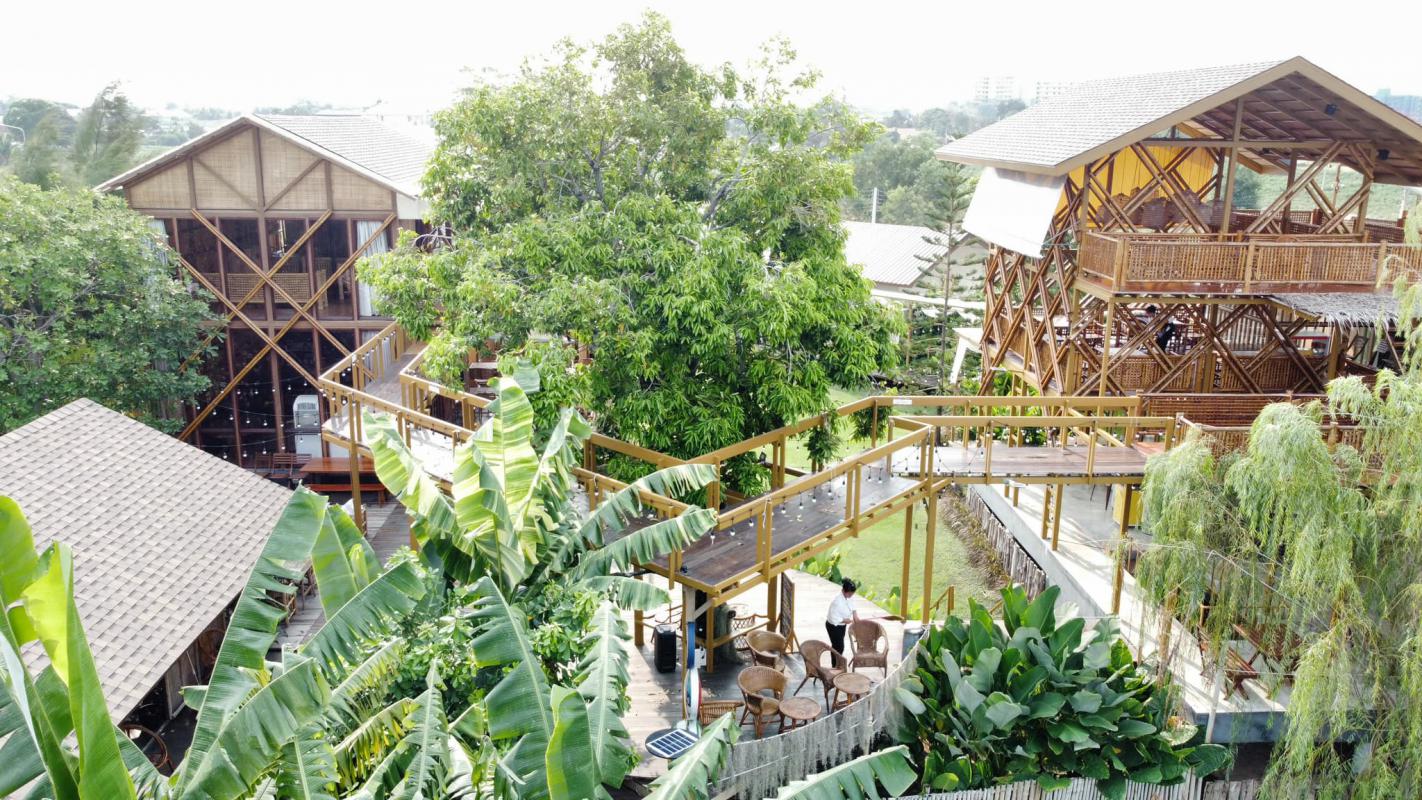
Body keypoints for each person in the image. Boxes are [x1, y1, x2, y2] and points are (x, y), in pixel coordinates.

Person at [826, 578, 860, 656]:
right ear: (844, 591)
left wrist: (855, 615)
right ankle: (836, 663)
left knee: (838, 646)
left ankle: (837, 662)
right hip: (833, 626)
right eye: (850, 594)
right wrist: (844, 620)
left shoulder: (849, 596)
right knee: (838, 647)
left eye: (852, 594)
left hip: (842, 626)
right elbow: (833, 617)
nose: (851, 596)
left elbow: (852, 604)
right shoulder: (837, 601)